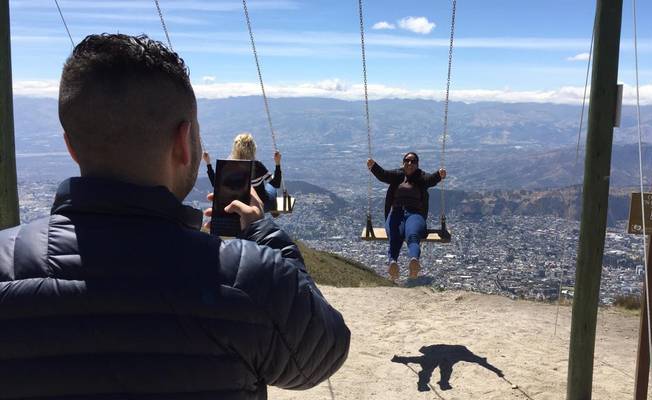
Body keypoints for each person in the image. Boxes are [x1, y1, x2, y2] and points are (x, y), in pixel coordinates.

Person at [0, 33, 349, 399]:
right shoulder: (249, 278)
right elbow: (325, 351)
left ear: (71, 146)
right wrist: (265, 233)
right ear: (184, 143)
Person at [367, 152, 447, 281]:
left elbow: (431, 179)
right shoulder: (397, 175)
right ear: (403, 162)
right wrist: (373, 166)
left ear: (417, 164)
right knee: (395, 235)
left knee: (413, 234)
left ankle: (414, 261)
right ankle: (393, 262)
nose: (409, 163)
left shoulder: (421, 177)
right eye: (407, 161)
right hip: (396, 213)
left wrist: (439, 175)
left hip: (414, 214)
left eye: (413, 161)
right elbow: (384, 175)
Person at [202, 133, 283, 214]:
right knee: (272, 187)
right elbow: (276, 184)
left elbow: (215, 183)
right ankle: (274, 209)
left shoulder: (229, 167)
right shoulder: (258, 166)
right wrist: (277, 163)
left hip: (242, 208)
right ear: (253, 148)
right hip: (263, 206)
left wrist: (208, 163)